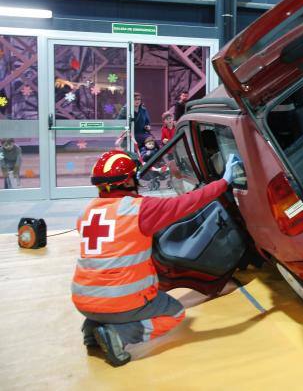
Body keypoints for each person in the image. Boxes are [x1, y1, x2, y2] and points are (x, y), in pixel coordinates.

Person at [72, 150, 242, 367]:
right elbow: (189, 202)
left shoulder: (86, 213)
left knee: (107, 302)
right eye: (133, 176)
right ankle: (118, 334)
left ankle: (92, 328)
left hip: (83, 301)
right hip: (119, 301)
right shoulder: (139, 210)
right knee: (175, 312)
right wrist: (225, 180)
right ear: (127, 181)